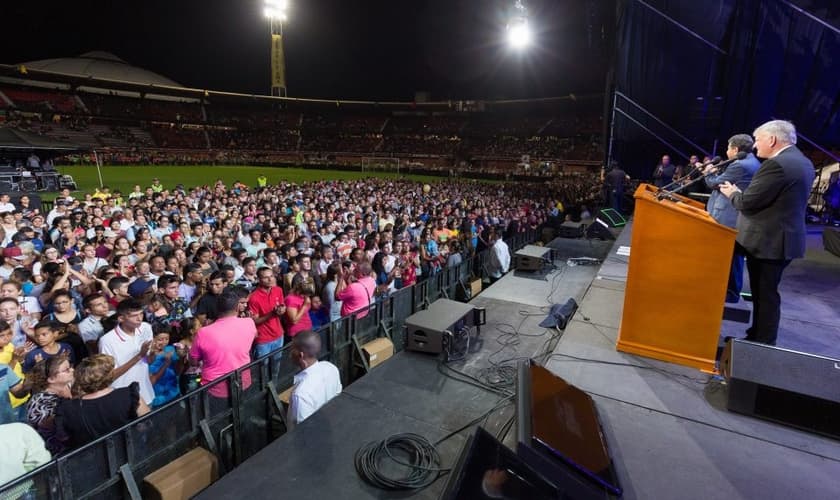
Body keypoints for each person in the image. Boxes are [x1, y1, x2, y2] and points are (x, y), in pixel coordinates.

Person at [720, 120, 815, 345]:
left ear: (772, 140)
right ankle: (757, 338)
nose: (756, 147)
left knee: (765, 295)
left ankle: (762, 344)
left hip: (769, 242)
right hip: (782, 239)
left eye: (759, 140)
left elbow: (748, 202)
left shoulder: (777, 165)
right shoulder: (802, 161)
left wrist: (732, 192)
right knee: (765, 294)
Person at [704, 134, 761, 303]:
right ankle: (727, 290)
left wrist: (708, 173)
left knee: (731, 256)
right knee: (732, 256)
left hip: (728, 216)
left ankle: (730, 293)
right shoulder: (750, 162)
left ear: (735, 149)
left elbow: (715, 184)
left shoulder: (740, 164)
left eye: (728, 147)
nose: (727, 151)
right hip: (734, 215)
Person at [55, 354, 150, 449]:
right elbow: (148, 423)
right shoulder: (129, 395)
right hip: (132, 453)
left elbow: (64, 438)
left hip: (93, 460)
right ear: (108, 376)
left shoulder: (67, 409)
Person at [189, 290, 256, 404]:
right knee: (243, 411)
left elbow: (193, 362)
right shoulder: (249, 322)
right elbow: (253, 336)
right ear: (236, 308)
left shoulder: (204, 332)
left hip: (215, 386)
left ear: (217, 309)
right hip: (243, 379)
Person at [98, 300, 155, 405]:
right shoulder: (107, 341)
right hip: (124, 400)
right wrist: (139, 356)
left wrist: (153, 353)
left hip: (146, 394)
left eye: (141, 314)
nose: (139, 319)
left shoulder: (146, 327)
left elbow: (149, 361)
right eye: (134, 316)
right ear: (121, 318)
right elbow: (110, 376)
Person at [286, 330, 341, 431]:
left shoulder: (300, 394)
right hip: (329, 427)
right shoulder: (330, 367)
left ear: (301, 355)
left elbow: (303, 430)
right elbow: (338, 396)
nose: (290, 354)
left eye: (292, 350)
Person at [26, 355, 74, 455]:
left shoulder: (68, 385)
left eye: (70, 367)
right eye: (67, 370)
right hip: (56, 454)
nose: (72, 370)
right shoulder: (39, 401)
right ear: (51, 379)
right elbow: (48, 424)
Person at [248, 267, 286, 358]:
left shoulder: (278, 290)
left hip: (279, 334)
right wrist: (272, 314)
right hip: (263, 339)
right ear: (259, 279)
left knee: (276, 365)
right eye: (266, 277)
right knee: (263, 367)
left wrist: (282, 309)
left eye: (272, 276)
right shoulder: (253, 297)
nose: (270, 279)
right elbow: (255, 321)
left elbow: (282, 305)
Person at [0, 422, 52, 487]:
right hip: (27, 489)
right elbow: (42, 463)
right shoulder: (19, 430)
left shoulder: (19, 430)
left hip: (22, 489)